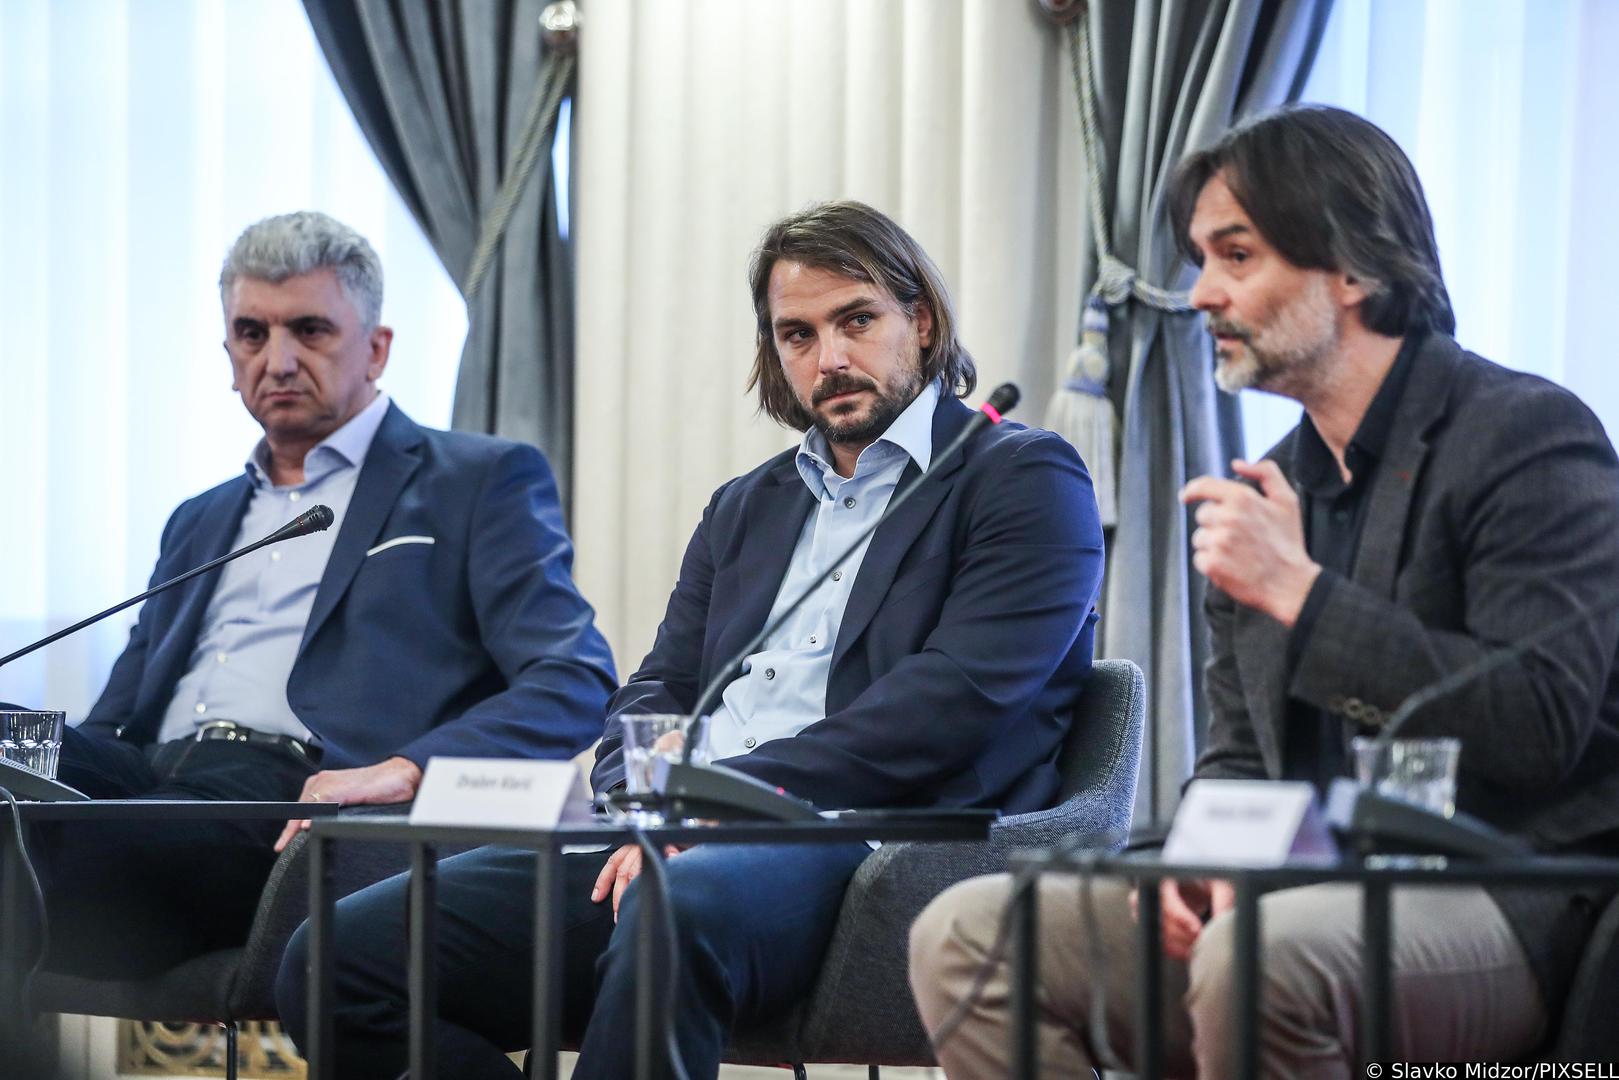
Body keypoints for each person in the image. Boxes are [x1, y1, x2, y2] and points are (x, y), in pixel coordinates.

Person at [272, 199, 1107, 1078]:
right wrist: (640, 795)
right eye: (796, 335)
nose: (829, 358)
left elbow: (952, 703)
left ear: (922, 322)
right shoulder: (746, 506)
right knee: (336, 959)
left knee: (670, 905)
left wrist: (726, 796)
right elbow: (656, 687)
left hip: (867, 838)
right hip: (676, 832)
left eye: (856, 321)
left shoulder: (1021, 476)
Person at [910, 104, 1619, 1077]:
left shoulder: (1524, 435)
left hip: (1513, 896)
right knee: (967, 933)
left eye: (1235, 256)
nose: (1200, 292)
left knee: (1258, 959)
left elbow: (1537, 724)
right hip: (1304, 895)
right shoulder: (1264, 492)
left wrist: (1302, 597)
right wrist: (1194, 858)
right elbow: (1240, 756)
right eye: (1200, 259)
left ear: (1354, 266)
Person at [37, 210, 617, 980]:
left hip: (282, 792)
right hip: (147, 775)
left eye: (309, 331)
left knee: (47, 853)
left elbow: (573, 680)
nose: (277, 360)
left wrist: (408, 766)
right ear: (228, 353)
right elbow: (113, 723)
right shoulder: (199, 519)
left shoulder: (475, 482)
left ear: (376, 349)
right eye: (251, 334)